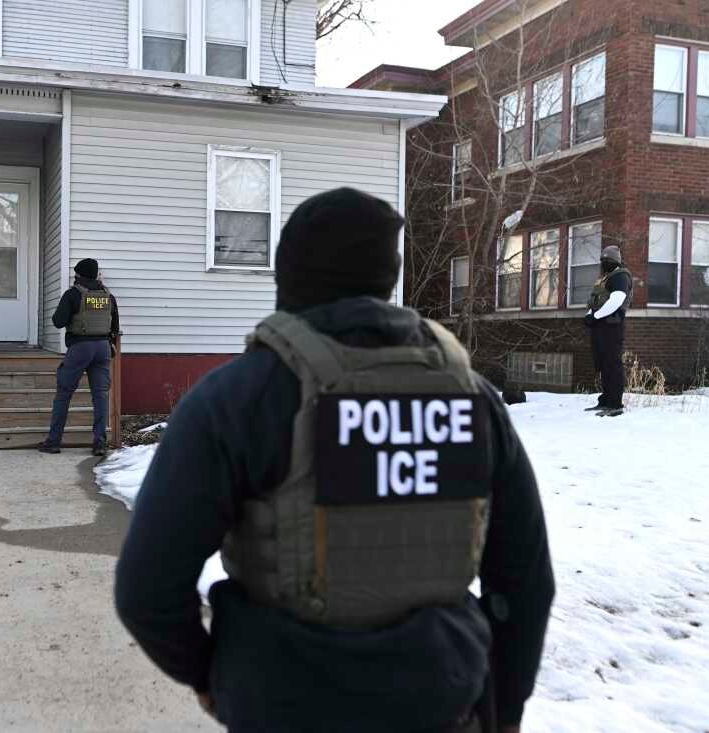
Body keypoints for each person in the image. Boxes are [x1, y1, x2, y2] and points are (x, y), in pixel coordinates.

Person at [114, 188, 555, 733]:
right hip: (442, 703)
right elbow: (525, 580)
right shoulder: (472, 397)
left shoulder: (235, 398)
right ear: (387, 275)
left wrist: (211, 676)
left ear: (288, 275)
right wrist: (504, 712)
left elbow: (147, 589)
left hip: (283, 707)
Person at [38, 258, 119, 457]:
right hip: (103, 348)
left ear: (79, 275)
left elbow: (58, 321)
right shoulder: (108, 296)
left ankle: (53, 442)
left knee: (64, 394)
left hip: (80, 347)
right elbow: (114, 327)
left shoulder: (73, 294)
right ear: (96, 274)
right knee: (100, 396)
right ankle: (99, 443)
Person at [584, 245, 632, 417]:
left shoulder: (620, 277)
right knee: (603, 363)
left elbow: (616, 300)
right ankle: (605, 400)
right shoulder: (604, 279)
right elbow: (595, 301)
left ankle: (615, 404)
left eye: (608, 260)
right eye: (603, 260)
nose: (605, 263)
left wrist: (596, 316)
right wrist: (589, 315)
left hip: (612, 325)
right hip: (600, 325)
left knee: (612, 364)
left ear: (616, 261)